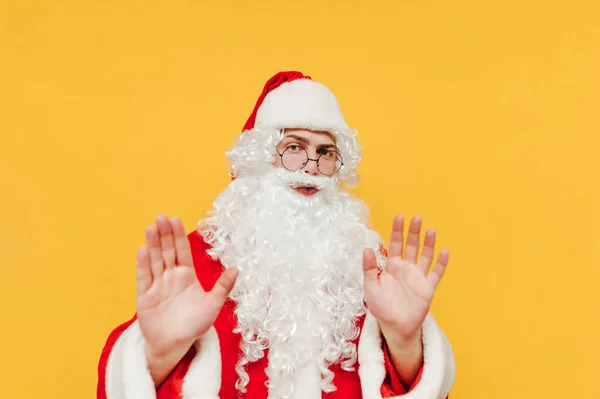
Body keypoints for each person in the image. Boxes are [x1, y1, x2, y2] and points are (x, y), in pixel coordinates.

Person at [97, 71, 455, 399]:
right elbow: (128, 381)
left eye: (325, 152)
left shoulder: (366, 263)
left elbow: (402, 385)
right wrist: (158, 354)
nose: (311, 168)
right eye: (294, 148)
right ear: (260, 157)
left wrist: (406, 341)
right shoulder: (200, 255)